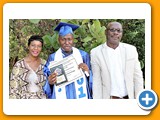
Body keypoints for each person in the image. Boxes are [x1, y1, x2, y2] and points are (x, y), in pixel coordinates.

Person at [90, 21, 144, 99]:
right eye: (112, 30)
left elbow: (138, 77)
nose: (116, 33)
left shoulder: (131, 50)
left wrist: (139, 99)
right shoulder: (96, 53)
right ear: (106, 32)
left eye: (119, 31)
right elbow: (96, 81)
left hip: (129, 98)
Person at [43, 22, 92, 99]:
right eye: (63, 39)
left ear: (73, 39)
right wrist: (49, 82)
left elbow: (92, 79)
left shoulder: (83, 55)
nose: (66, 43)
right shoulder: (52, 58)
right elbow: (47, 80)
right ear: (59, 40)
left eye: (69, 39)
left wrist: (88, 72)